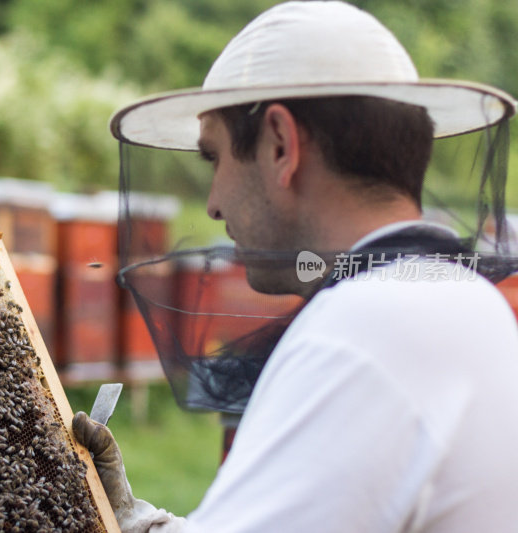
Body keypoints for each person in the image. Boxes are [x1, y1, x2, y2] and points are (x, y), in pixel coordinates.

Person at [72, 2, 518, 532]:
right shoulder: (457, 300)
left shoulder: (367, 328)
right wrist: (135, 522)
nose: (212, 203)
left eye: (214, 159)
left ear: (281, 145)